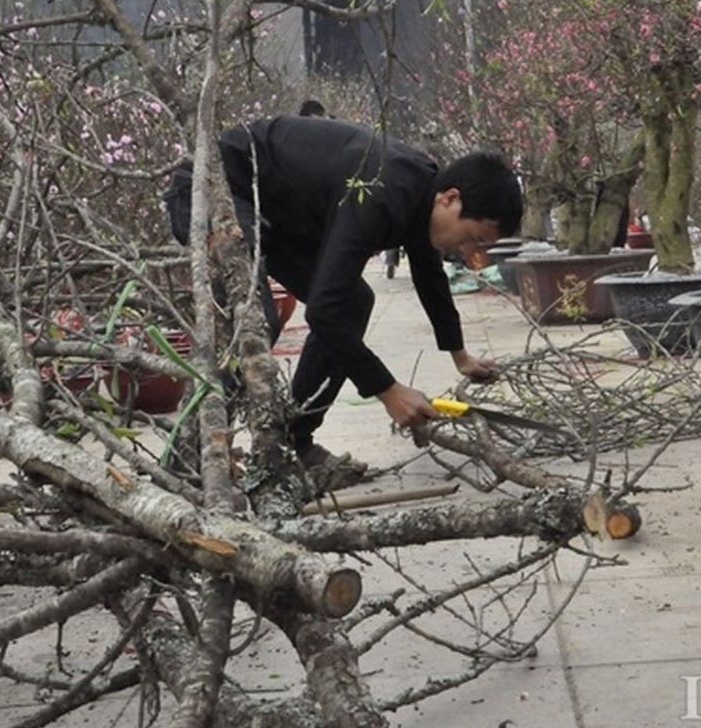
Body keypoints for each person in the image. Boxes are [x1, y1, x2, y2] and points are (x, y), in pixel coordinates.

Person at [163, 115, 523, 475]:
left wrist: (460, 356)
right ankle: (191, 456)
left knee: (352, 303)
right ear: (451, 199)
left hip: (276, 212)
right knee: (255, 320)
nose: (467, 252)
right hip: (212, 189)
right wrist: (387, 390)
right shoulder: (381, 193)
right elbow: (323, 312)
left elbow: (429, 275)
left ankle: (294, 444)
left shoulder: (421, 194)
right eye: (474, 238)